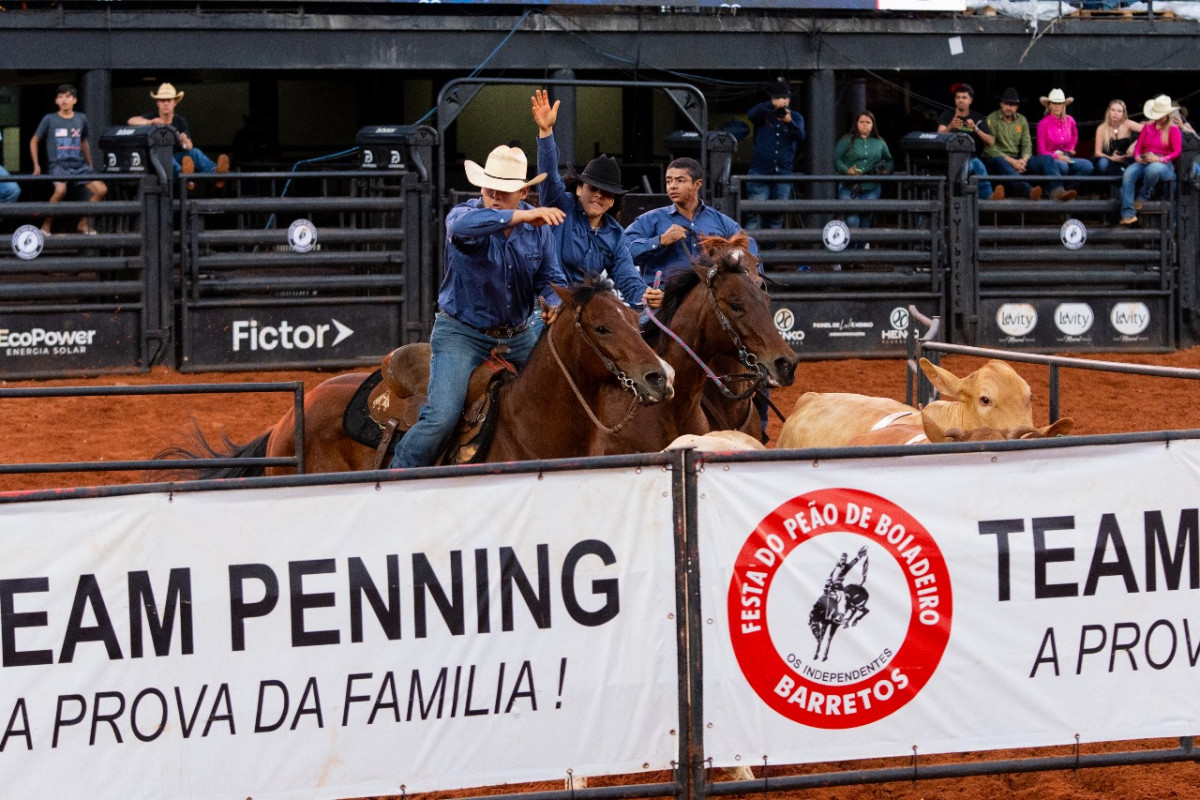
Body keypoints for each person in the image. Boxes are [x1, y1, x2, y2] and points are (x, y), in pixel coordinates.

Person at [389, 144, 567, 469]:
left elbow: (550, 277)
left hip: (518, 335)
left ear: (524, 191)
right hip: (462, 333)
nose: (495, 196)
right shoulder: (465, 217)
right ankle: (394, 477)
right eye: (490, 189)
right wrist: (521, 214)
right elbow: (460, 228)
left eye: (505, 191)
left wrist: (555, 301)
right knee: (441, 417)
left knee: (554, 397)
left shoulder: (539, 233)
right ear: (481, 188)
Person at [530, 89, 662, 328]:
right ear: (579, 189)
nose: (599, 195)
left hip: (584, 314)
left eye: (607, 192)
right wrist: (546, 133)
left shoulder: (614, 234)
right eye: (593, 188)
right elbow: (549, 177)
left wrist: (646, 296)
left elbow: (628, 280)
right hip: (543, 305)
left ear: (613, 201)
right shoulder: (560, 205)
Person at [625, 156, 758, 283]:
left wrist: (737, 259)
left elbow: (749, 244)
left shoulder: (720, 221)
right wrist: (660, 240)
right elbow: (623, 250)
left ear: (697, 184)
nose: (672, 186)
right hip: (664, 298)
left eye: (680, 180)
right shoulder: (650, 219)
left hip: (709, 298)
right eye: (668, 181)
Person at [29, 83, 107, 234]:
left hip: (79, 165)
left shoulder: (81, 118)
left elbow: (84, 141)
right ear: (56, 101)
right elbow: (34, 140)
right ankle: (46, 225)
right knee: (60, 190)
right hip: (58, 165)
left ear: (74, 100)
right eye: (60, 97)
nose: (63, 100)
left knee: (101, 190)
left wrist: (89, 163)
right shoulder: (49, 119)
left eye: (67, 96)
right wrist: (36, 165)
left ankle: (83, 223)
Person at [127, 83, 230, 180]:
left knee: (195, 152)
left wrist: (184, 142)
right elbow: (131, 121)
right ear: (158, 103)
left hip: (178, 157)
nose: (166, 103)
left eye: (169, 100)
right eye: (162, 100)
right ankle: (185, 176)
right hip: (157, 160)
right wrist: (150, 122)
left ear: (175, 102)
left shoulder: (180, 121)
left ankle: (216, 173)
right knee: (167, 156)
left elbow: (189, 146)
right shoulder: (152, 117)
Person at [745, 77, 805, 232]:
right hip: (760, 172)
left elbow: (801, 137)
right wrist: (771, 105)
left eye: (785, 98)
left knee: (776, 217)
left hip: (783, 173)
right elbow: (750, 115)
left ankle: (774, 255)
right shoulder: (764, 113)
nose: (782, 101)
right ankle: (751, 253)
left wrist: (789, 122)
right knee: (755, 215)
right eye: (778, 98)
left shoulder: (796, 117)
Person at [1119, 94, 1183, 226]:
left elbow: (1177, 151)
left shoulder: (1173, 129)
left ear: (1167, 115)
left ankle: (1143, 195)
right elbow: (1139, 146)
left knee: (1153, 169)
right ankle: (1128, 214)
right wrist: (1137, 156)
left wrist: (1160, 159)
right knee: (1128, 174)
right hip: (1145, 159)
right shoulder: (1148, 127)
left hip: (1164, 163)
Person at [834, 110, 894, 231]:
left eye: (868, 122)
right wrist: (846, 170)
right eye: (862, 122)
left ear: (873, 125)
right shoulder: (846, 140)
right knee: (852, 220)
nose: (865, 124)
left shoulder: (880, 142)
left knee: (865, 220)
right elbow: (836, 160)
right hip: (849, 186)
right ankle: (851, 250)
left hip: (871, 187)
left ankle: (861, 248)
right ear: (856, 123)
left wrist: (886, 170)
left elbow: (889, 160)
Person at [1029, 88, 1091, 201]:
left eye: (1060, 104)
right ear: (1049, 106)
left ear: (1064, 105)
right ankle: (1056, 191)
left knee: (1087, 166)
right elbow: (1041, 151)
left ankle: (1066, 191)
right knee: (1062, 166)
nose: (1057, 106)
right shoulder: (1043, 124)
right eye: (1054, 103)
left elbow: (1074, 135)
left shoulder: (1070, 120)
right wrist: (1058, 157)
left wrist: (1071, 148)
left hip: (1067, 156)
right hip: (1050, 158)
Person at [981, 87, 1042, 201]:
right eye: (1006, 104)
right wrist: (1012, 162)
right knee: (999, 160)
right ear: (1001, 104)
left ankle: (1056, 192)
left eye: (1012, 105)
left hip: (1017, 159)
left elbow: (1026, 143)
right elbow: (990, 149)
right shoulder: (991, 119)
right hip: (996, 160)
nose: (1009, 107)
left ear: (1017, 107)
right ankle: (1029, 191)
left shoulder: (1022, 120)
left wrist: (1024, 160)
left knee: (1046, 159)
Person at [936, 82, 995, 200]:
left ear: (970, 100)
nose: (960, 100)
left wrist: (976, 129)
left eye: (964, 97)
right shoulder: (947, 115)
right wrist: (951, 126)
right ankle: (954, 193)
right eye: (958, 97)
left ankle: (989, 199)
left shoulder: (977, 117)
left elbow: (991, 141)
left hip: (970, 158)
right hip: (948, 158)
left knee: (977, 164)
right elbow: (938, 136)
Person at [1093, 99, 1144, 177]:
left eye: (1119, 111)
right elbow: (1097, 152)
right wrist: (1112, 158)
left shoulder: (1128, 123)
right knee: (1102, 164)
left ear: (1124, 113)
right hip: (1108, 158)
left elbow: (1148, 131)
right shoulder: (1102, 128)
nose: (1115, 113)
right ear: (1108, 111)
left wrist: (1135, 144)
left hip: (1126, 158)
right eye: (1113, 110)